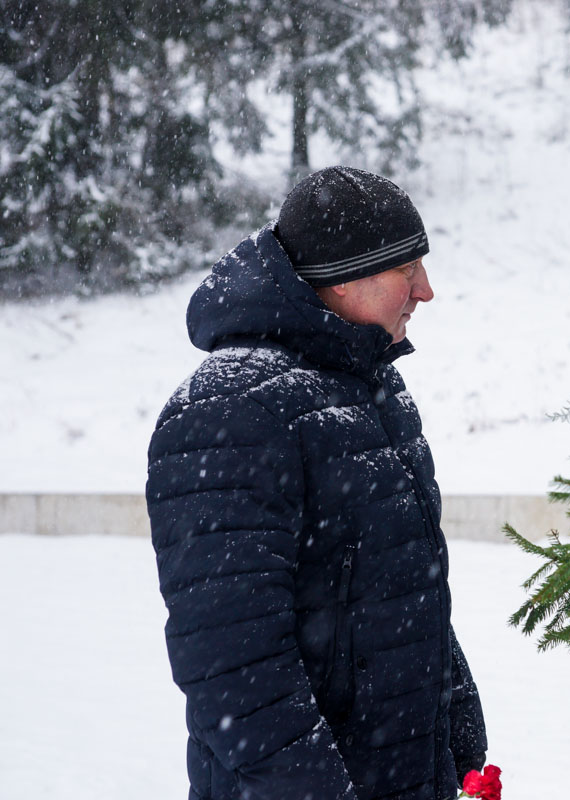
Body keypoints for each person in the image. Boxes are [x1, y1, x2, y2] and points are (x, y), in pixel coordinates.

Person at [146, 167, 487, 800]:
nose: (428, 290)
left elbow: (402, 585)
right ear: (344, 274)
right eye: (407, 270)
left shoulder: (369, 388)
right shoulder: (230, 409)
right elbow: (232, 664)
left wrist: (460, 736)